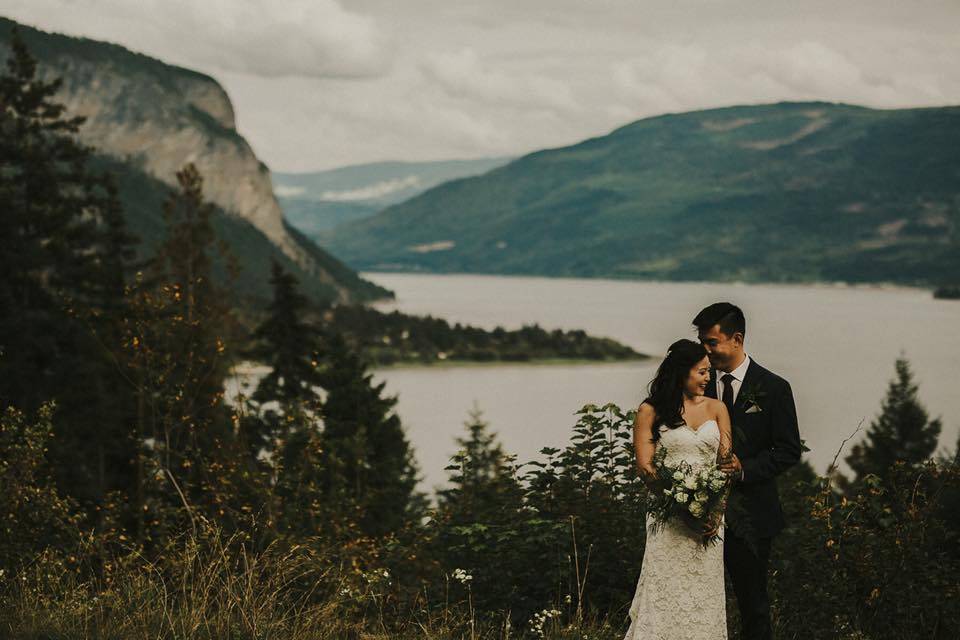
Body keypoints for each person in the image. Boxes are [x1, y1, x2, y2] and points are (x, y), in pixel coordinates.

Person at [693, 302, 802, 640]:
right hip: (697, 512)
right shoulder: (696, 385)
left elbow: (788, 451)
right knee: (698, 601)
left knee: (753, 605)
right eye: (702, 343)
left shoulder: (773, 388)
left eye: (712, 342)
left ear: (736, 339)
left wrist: (744, 469)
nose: (706, 351)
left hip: (752, 515)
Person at [624, 338, 733, 640]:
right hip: (668, 516)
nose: (707, 378)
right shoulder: (650, 410)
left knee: (703, 591)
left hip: (710, 520)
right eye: (701, 372)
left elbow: (725, 465)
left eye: (709, 372)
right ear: (682, 372)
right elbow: (646, 468)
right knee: (666, 587)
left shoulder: (718, 409)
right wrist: (681, 508)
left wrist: (715, 512)